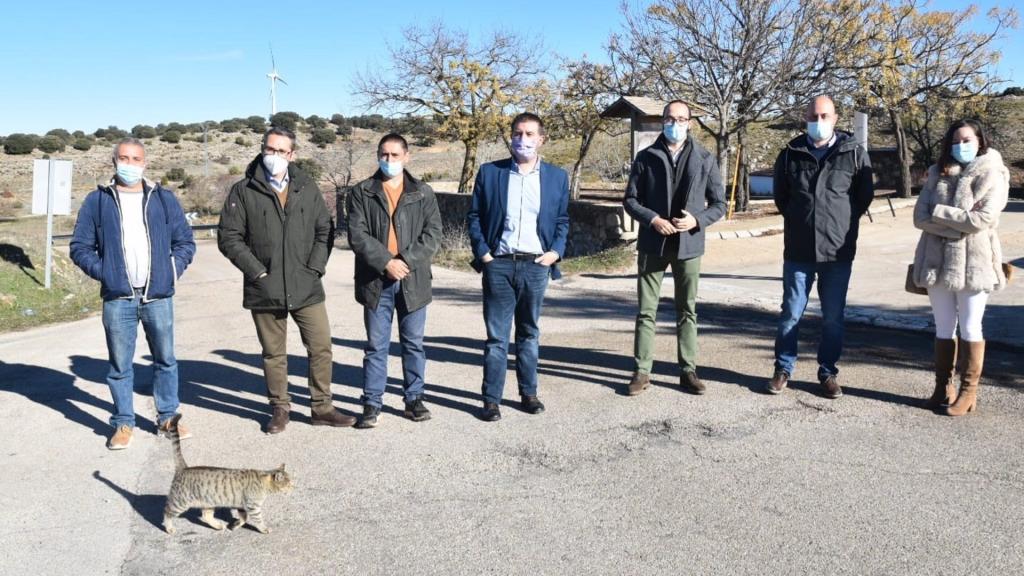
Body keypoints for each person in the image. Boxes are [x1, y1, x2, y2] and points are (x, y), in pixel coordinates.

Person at [218, 126, 354, 433]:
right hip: (264, 288)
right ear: (262, 149)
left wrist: (316, 267)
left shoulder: (306, 186)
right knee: (273, 353)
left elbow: (325, 229)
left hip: (306, 285)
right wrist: (257, 271)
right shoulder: (243, 190)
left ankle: (322, 407)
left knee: (320, 346)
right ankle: (279, 408)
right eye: (270, 149)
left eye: (281, 151)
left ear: (292, 154)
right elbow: (229, 237)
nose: (274, 156)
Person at [70, 137, 196, 449]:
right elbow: (79, 247)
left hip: (158, 295)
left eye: (136, 158)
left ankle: (168, 417)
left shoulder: (163, 198)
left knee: (165, 359)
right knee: (119, 366)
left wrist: (172, 270)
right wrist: (106, 274)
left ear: (145, 163)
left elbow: (184, 241)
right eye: (124, 158)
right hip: (119, 299)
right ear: (114, 162)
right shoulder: (97, 201)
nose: (130, 164)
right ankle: (123, 423)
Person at [767, 96, 874, 398]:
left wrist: (840, 223)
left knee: (833, 317)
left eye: (825, 116)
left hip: (837, 251)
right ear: (805, 117)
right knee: (790, 313)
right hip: (799, 251)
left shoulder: (853, 153)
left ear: (836, 118)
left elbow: (863, 197)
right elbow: (782, 198)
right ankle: (783, 368)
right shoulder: (790, 153)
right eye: (813, 116)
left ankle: (828, 372)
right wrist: (801, 220)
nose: (818, 121)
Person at [466, 112, 570, 422]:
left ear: (541, 139)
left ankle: (529, 393)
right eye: (517, 133)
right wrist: (484, 253)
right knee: (497, 338)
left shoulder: (557, 177)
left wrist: (555, 252)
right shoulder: (490, 173)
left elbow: (562, 220)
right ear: (511, 137)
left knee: (529, 333)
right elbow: (474, 218)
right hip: (498, 265)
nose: (522, 139)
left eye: (529, 134)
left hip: (536, 266)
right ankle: (491, 399)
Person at [623, 99, 726, 396]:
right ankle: (642, 371)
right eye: (670, 118)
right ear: (662, 120)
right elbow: (630, 200)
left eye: (681, 119)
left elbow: (719, 204)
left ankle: (688, 370)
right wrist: (652, 219)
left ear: (690, 123)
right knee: (646, 311)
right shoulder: (646, 157)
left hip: (689, 244)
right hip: (653, 243)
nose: (675, 124)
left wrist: (697, 220)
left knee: (687, 310)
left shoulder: (705, 158)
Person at [911, 119, 1009, 417]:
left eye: (967, 139)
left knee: (970, 326)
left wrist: (939, 215)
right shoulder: (936, 172)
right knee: (943, 327)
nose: (961, 146)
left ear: (981, 140)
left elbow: (984, 219)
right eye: (956, 141)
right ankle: (943, 387)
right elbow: (919, 216)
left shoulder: (994, 173)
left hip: (975, 264)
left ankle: (968, 391)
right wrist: (959, 222)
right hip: (936, 263)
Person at [346, 133, 442, 428]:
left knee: (413, 343)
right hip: (376, 280)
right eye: (384, 155)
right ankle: (372, 403)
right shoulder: (362, 192)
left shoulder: (423, 192)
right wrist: (386, 262)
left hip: (413, 280)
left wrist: (405, 262)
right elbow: (357, 235)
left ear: (407, 157)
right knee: (376, 345)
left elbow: (432, 234)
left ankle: (414, 399)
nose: (388, 160)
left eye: (394, 155)